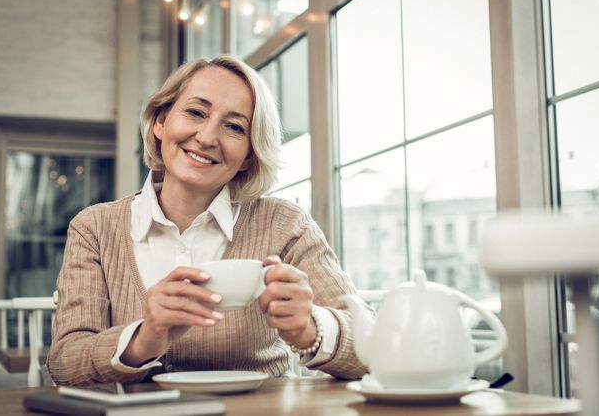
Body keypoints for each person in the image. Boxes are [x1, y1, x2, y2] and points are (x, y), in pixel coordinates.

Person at [47, 55, 369, 385]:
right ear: (161, 122)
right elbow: (65, 363)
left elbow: (370, 348)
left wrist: (310, 328)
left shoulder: (286, 225)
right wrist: (145, 337)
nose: (206, 137)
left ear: (248, 156)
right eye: (196, 112)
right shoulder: (93, 229)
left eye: (234, 126)